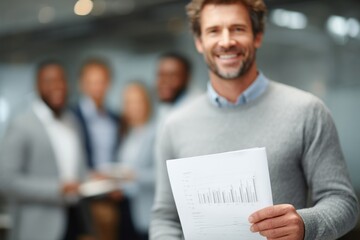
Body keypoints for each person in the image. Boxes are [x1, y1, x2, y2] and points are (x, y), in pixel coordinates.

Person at [150, 0, 359, 240]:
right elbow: (164, 217)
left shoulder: (307, 111)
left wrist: (305, 224)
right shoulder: (175, 126)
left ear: (257, 36)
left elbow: (344, 202)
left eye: (237, 28)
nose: (226, 41)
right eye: (214, 30)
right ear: (199, 42)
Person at [0, 60, 92, 240]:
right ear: (37, 85)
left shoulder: (71, 121)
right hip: (38, 227)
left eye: (61, 80)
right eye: (49, 81)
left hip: (75, 220)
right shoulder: (21, 125)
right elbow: (6, 181)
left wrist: (91, 177)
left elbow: (76, 170)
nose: (57, 86)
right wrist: (57, 189)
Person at [117, 82, 156, 240]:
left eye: (137, 101)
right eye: (128, 102)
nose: (133, 107)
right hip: (130, 209)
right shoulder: (129, 134)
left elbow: (163, 175)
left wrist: (132, 176)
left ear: (147, 102)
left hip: (149, 212)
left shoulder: (157, 132)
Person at [155, 52, 200, 128]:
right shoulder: (165, 107)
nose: (164, 81)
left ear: (187, 78)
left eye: (172, 76)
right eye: (161, 75)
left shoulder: (197, 112)